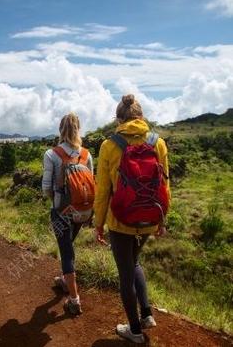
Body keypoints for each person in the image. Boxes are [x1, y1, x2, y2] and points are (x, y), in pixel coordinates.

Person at [94, 94, 170, 344]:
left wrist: (98, 224)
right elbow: (165, 186)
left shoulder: (109, 145)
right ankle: (147, 314)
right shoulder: (158, 143)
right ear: (141, 116)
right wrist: (162, 220)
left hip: (120, 221)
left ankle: (135, 331)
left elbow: (103, 190)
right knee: (135, 261)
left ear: (119, 119)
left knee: (125, 273)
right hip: (149, 217)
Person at [42, 112, 94, 316]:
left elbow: (46, 188)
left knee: (66, 251)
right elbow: (92, 183)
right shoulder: (87, 154)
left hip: (62, 211)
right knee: (69, 245)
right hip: (83, 211)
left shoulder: (51, 154)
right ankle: (65, 279)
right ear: (78, 129)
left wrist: (55, 201)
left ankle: (74, 299)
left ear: (60, 130)